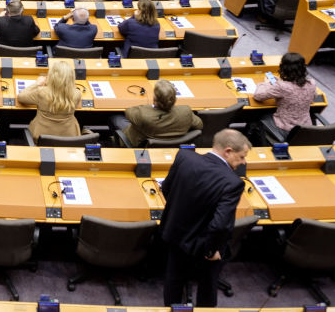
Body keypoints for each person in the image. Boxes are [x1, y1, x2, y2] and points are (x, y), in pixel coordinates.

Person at [160, 129, 250, 307]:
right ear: (228, 151)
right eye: (241, 157)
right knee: (207, 287)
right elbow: (219, 226)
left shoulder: (184, 157)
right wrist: (211, 251)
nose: (243, 162)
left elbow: (167, 189)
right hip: (203, 246)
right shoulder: (233, 183)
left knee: (173, 281)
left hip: (175, 233)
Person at [118, 79, 204, 147]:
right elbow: (199, 125)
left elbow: (129, 111)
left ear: (154, 100)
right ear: (174, 99)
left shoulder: (143, 114)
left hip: (140, 145)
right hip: (173, 148)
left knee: (116, 118)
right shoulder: (186, 112)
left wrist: (149, 107)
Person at [252, 52, 316, 141]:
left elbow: (258, 95)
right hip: (304, 128)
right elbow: (312, 99)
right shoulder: (312, 83)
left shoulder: (282, 87)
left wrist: (266, 84)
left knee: (255, 116)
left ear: (283, 68)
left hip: (285, 128)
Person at [17, 59, 81, 141]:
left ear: (52, 76)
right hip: (69, 138)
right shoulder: (77, 94)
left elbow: (21, 97)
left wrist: (37, 84)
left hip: (41, 138)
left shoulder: (42, 92)